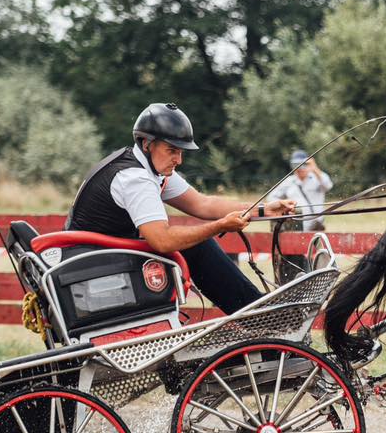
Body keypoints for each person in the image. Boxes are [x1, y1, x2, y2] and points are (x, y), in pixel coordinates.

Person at [66, 103, 297, 313]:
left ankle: (257, 313)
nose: (179, 159)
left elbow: (203, 204)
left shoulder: (151, 169)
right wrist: (219, 226)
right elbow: (162, 241)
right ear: (147, 144)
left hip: (105, 260)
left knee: (196, 243)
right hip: (93, 272)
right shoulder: (135, 178)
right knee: (198, 245)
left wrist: (263, 210)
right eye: (172, 150)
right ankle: (259, 316)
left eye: (181, 152)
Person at [267, 149, 334, 232]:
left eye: (302, 164)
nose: (299, 168)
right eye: (296, 164)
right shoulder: (288, 181)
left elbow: (328, 185)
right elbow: (271, 197)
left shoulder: (318, 177)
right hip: (295, 227)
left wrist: (314, 168)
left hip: (316, 227)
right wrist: (283, 206)